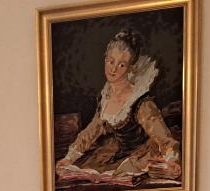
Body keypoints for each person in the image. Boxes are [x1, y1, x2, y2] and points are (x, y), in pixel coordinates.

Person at [55, 29, 180, 183]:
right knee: (86, 173)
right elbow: (91, 131)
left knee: (120, 175)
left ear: (130, 68)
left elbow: (164, 138)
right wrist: (69, 158)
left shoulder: (141, 103)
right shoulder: (105, 97)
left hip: (141, 154)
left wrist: (172, 160)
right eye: (110, 61)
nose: (113, 69)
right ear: (105, 59)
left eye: (121, 65)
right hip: (114, 152)